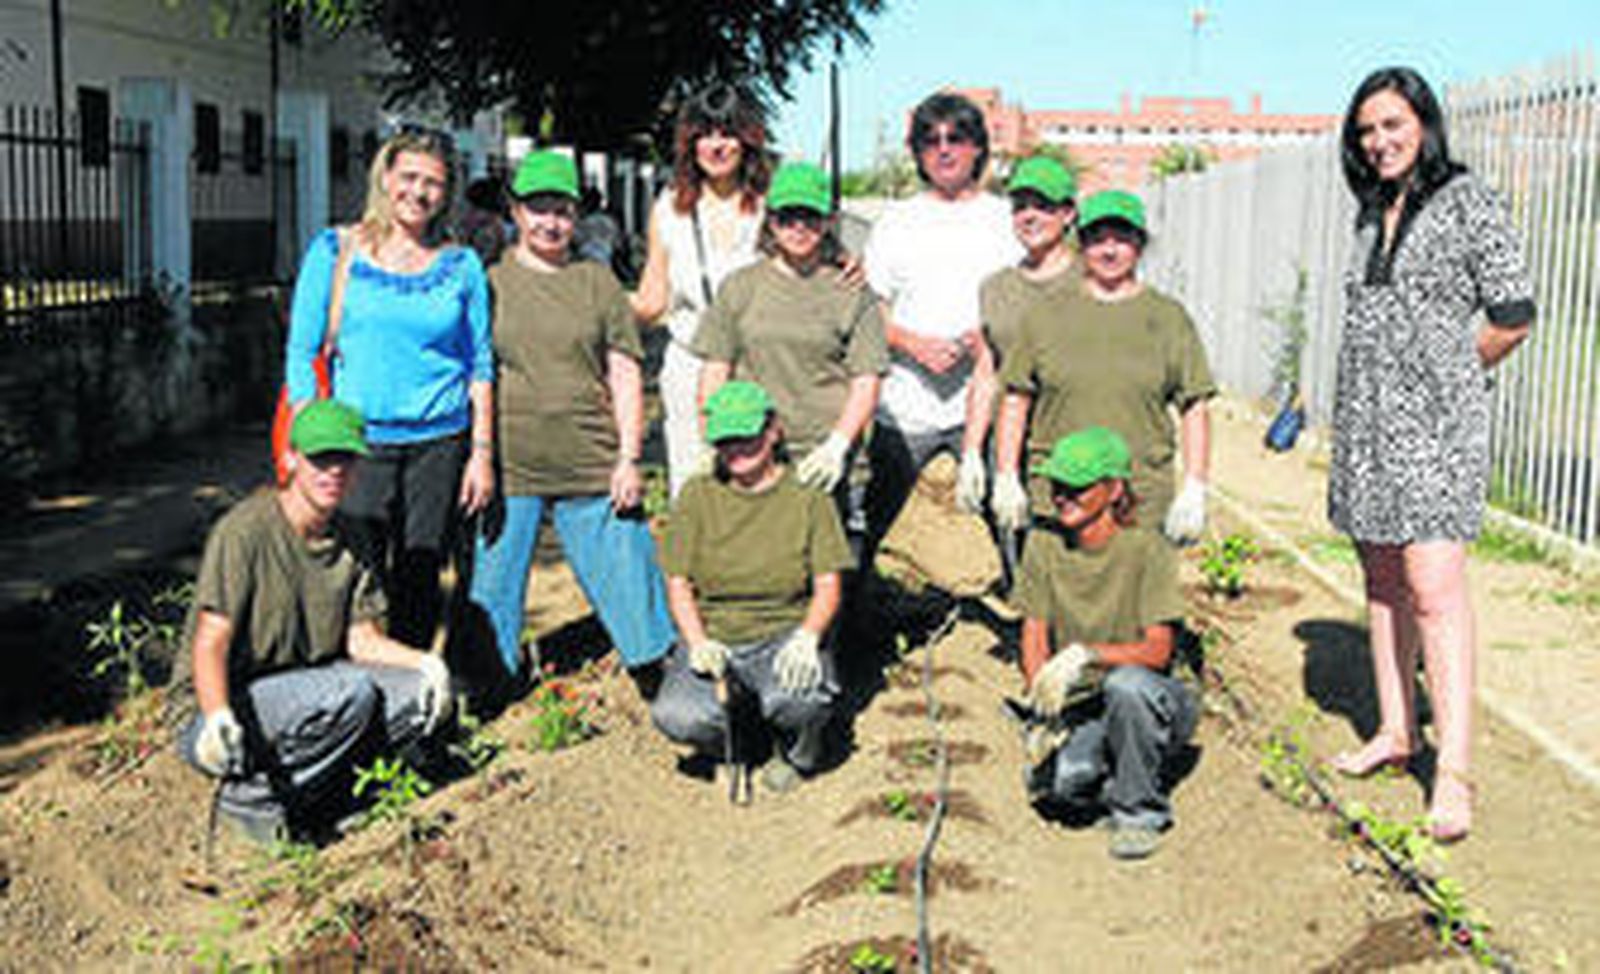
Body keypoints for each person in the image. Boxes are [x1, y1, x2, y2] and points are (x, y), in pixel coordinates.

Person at [1326, 67, 1534, 843]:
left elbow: (1513, 314)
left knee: (1434, 586)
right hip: (1366, 425)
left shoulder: (1469, 201)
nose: (1379, 141)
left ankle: (1454, 773)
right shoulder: (1371, 211)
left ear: (1425, 123)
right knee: (1380, 575)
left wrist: (1447, 375)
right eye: (1367, 130)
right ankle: (1394, 729)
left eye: (1392, 124)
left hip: (1437, 429)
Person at [173, 400, 455, 844]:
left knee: (411, 694)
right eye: (320, 458)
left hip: (308, 688)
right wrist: (216, 716)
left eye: (344, 458)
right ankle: (249, 801)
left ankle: (322, 802)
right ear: (291, 459)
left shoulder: (353, 535)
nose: (333, 471)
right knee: (350, 693)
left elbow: (361, 638)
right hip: (229, 703)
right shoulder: (245, 531)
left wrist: (425, 664)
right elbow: (211, 643)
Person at [467, 150, 675, 689]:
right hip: (511, 466)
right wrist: (479, 453)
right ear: (515, 212)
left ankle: (657, 672)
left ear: (577, 215)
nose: (551, 221)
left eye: (561, 209)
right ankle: (489, 685)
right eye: (538, 208)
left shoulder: (596, 283)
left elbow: (625, 373)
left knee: (632, 581)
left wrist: (629, 457)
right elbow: (474, 371)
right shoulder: (488, 283)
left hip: (589, 460)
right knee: (491, 594)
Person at [285, 128, 495, 651]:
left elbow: (480, 363)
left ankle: (414, 702)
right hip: (358, 446)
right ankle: (355, 697)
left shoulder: (462, 265)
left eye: (434, 183)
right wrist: (311, 436)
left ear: (447, 193)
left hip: (441, 445)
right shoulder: (335, 251)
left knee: (421, 575)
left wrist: (482, 454)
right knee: (358, 573)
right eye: (410, 177)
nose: (419, 192)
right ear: (385, 175)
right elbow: (299, 352)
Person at [650, 382, 852, 792]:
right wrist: (697, 641)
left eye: (747, 437)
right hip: (718, 635)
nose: (737, 449)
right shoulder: (697, 496)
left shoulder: (807, 498)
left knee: (802, 700)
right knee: (678, 714)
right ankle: (736, 741)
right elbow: (678, 582)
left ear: (773, 430)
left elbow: (828, 581)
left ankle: (797, 751)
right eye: (726, 440)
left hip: (783, 633)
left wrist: (808, 637)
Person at [994, 190, 1214, 546]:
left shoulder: (1168, 318)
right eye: (1097, 240)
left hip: (1139, 498)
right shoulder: (1045, 316)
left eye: (1122, 239)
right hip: (1059, 498)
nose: (1109, 251)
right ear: (1081, 245)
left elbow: (1194, 406)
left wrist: (1195, 485)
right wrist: (1006, 474)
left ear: (1140, 245)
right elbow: (1016, 398)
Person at [1016, 427, 1195, 861]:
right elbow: (1034, 630)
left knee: (1127, 687)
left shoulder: (1147, 550)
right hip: (1088, 701)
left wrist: (1085, 654)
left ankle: (1139, 812)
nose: (1062, 495)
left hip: (1154, 698)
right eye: (1057, 485)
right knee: (1064, 783)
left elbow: (1158, 652)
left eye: (1077, 486)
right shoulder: (1043, 545)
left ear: (1114, 489)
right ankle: (1116, 772)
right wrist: (1042, 700)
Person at [861, 91, 1022, 555]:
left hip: (984, 404)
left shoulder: (1005, 220)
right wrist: (911, 343)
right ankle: (846, 624)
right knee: (866, 524)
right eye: (930, 140)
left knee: (1012, 526)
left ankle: (1030, 621)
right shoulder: (897, 221)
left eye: (957, 137)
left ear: (978, 148)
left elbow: (1029, 301)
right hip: (904, 406)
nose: (944, 149)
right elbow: (871, 307)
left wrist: (989, 339)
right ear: (917, 152)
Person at [694, 161, 887, 529]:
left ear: (828, 221)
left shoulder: (851, 293)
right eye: (788, 216)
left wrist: (838, 445)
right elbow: (715, 369)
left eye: (810, 217)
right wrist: (710, 438)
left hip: (825, 454)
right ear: (771, 220)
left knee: (831, 575)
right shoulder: (740, 287)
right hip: (753, 452)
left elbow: (867, 380)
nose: (799, 227)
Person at [632, 84, 770, 498]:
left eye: (727, 133)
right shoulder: (670, 207)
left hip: (758, 366)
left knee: (759, 485)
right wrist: (590, 299)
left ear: (747, 140)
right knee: (695, 486)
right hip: (691, 365)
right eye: (705, 134)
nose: (716, 145)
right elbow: (653, 299)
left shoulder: (772, 206)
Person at [976, 154, 1080, 577]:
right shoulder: (996, 288)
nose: (1029, 215)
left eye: (1043, 205)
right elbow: (986, 373)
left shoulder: (1093, 280)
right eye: (1021, 205)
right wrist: (971, 454)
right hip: (1010, 451)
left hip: (1074, 447)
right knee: (1023, 565)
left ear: (1068, 213)